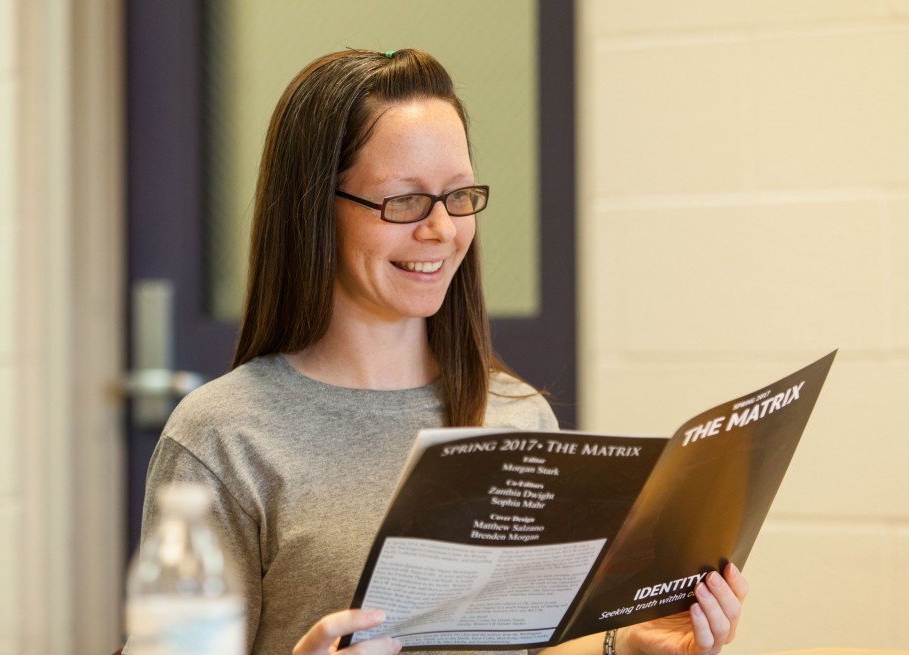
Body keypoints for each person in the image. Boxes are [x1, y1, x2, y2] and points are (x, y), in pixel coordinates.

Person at [137, 48, 747, 655]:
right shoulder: (223, 437)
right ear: (315, 210)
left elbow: (535, 646)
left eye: (458, 196)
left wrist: (630, 647)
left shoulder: (518, 415)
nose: (441, 230)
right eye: (402, 200)